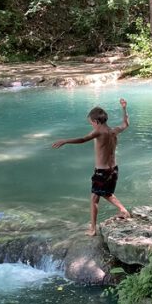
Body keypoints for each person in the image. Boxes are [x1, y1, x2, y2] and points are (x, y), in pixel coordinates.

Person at [52, 98, 131, 236]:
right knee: (106, 193)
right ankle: (122, 210)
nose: (92, 126)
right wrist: (124, 108)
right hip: (114, 169)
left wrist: (65, 141)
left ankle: (93, 229)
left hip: (102, 171)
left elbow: (82, 139)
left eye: (91, 123)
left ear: (96, 122)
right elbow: (126, 123)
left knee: (95, 198)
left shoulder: (98, 132)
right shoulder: (114, 131)